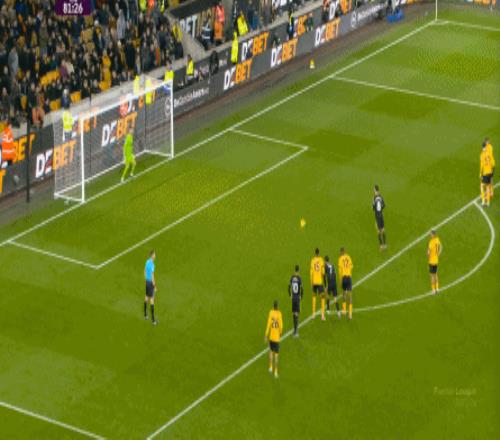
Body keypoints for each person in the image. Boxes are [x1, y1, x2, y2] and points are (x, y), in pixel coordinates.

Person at [264, 300, 283, 378]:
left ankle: (270, 367)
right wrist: (280, 333)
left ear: (273, 306)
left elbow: (268, 324)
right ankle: (275, 372)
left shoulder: (271, 312)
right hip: (277, 338)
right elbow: (281, 325)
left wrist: (266, 335)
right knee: (276, 356)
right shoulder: (279, 314)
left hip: (271, 337)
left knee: (271, 352)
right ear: (277, 306)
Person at [310, 248, 325, 320]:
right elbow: (323, 272)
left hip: (314, 281)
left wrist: (311, 282)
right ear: (319, 253)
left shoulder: (312, 260)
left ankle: (313, 314)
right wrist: (324, 281)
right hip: (319, 281)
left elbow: (311, 272)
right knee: (322, 297)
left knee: (314, 296)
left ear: (315, 253)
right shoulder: (321, 260)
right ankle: (322, 315)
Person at [338, 247, 354, 320]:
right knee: (350, 295)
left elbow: (340, 271)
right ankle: (350, 314)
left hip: (344, 277)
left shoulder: (340, 259)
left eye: (340, 252)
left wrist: (340, 281)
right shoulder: (348, 257)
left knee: (344, 294)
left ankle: (344, 310)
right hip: (349, 277)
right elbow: (351, 266)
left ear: (341, 252)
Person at [288, 265, 303, 337]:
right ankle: (296, 332)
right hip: (297, 298)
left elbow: (288, 287)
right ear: (299, 270)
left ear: (295, 270)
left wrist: (290, 295)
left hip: (293, 297)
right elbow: (302, 288)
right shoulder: (299, 278)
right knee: (297, 314)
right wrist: (301, 296)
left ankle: (294, 331)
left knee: (294, 313)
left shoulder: (292, 277)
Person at [144, 250, 157, 325]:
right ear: (152, 255)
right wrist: (154, 286)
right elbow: (152, 276)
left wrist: (146, 279)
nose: (155, 255)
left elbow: (145, 271)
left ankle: (145, 315)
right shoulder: (152, 264)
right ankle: (153, 320)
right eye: (154, 254)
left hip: (147, 282)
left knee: (146, 297)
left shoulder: (147, 262)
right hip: (150, 283)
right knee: (152, 300)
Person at [480, 139, 495, 206]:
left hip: (485, 173)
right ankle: (488, 202)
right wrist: (492, 170)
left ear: (482, 148)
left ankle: (483, 201)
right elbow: (492, 163)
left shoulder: (482, 155)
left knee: (482, 186)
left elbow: (482, 165)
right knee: (488, 186)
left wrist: (480, 173)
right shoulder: (489, 153)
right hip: (490, 171)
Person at [427, 230, 442, 294]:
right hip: (436, 260)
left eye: (431, 234)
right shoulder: (437, 240)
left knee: (432, 276)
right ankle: (437, 289)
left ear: (433, 235)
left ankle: (433, 290)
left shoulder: (431, 242)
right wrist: (438, 253)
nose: (430, 235)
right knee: (436, 275)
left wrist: (428, 256)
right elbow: (440, 246)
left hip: (431, 261)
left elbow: (428, 252)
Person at [373, 184, 387, 250]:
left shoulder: (375, 197)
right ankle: (385, 244)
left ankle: (381, 245)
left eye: (374, 189)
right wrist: (381, 210)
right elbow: (384, 205)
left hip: (377, 215)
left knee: (378, 230)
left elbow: (373, 207)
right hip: (381, 214)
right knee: (383, 229)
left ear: (375, 189)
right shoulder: (381, 197)